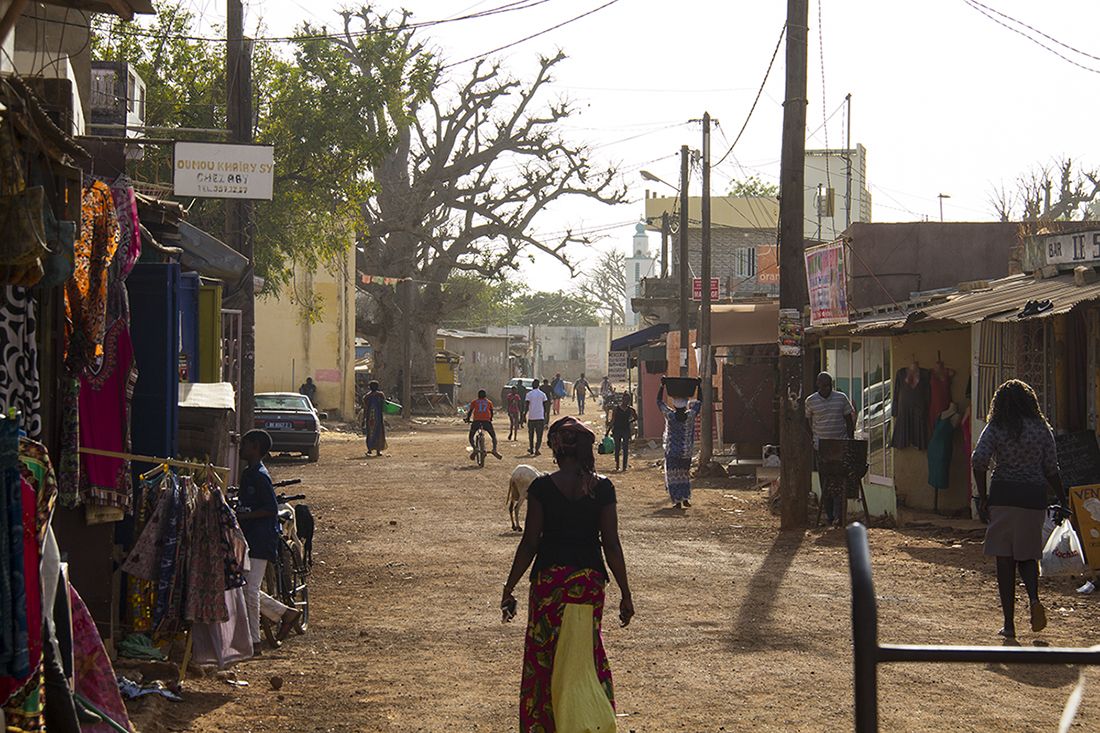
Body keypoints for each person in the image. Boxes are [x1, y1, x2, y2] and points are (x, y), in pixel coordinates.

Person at [500, 416, 634, 732]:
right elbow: (611, 544)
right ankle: (591, 721)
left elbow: (531, 541)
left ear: (557, 449)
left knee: (543, 660)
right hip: (588, 584)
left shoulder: (542, 488)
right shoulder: (603, 489)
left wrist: (509, 587)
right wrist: (626, 595)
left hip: (548, 585)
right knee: (583, 656)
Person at [972, 379, 1066, 639]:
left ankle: (1009, 624)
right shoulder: (1041, 429)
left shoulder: (996, 427)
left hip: (1003, 495)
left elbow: (979, 460)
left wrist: (983, 497)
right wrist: (1063, 499)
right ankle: (1034, 599)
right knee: (1027, 555)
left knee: (1005, 558)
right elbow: (1051, 469)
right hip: (1033, 498)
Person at [235, 430, 302, 654]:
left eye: (244, 444)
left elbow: (271, 509)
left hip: (261, 538)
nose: (240, 448)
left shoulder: (260, 476)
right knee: (245, 588)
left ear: (255, 447)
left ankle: (255, 642)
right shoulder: (247, 474)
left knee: (250, 590)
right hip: (248, 538)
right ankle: (286, 613)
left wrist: (245, 516)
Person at [804, 372, 856, 525]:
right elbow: (807, 421)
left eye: (829, 386)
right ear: (818, 385)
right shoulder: (811, 401)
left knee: (840, 481)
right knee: (825, 480)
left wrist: (850, 440)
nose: (826, 389)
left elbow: (849, 420)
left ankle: (840, 515)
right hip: (822, 447)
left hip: (840, 445)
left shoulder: (841, 398)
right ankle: (829, 515)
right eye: (823, 386)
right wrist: (813, 438)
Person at [657, 380, 701, 509]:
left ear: (675, 406)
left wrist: (662, 386)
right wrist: (699, 385)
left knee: (673, 476)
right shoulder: (691, 416)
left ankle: (677, 501)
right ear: (686, 405)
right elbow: (700, 402)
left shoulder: (670, 416)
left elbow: (659, 402)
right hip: (686, 452)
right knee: (684, 475)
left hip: (672, 452)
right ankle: (685, 498)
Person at [465, 389, 503, 460]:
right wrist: (490, 418)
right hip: (486, 422)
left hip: (476, 421)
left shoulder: (474, 402)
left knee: (471, 436)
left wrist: (467, 419)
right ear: (485, 396)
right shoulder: (489, 402)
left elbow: (470, 411)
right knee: (493, 436)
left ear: (478, 396)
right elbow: (491, 412)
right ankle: (494, 449)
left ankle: (475, 448)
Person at [606, 393, 638, 472]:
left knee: (625, 448)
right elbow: (613, 420)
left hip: (626, 430)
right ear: (622, 399)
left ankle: (624, 466)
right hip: (617, 430)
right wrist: (608, 431)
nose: (626, 401)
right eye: (625, 399)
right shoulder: (616, 409)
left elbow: (636, 417)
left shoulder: (630, 410)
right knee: (617, 448)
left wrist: (629, 422)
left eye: (627, 400)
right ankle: (617, 465)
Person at [362, 381, 387, 456]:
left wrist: (363, 418)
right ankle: (378, 451)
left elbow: (365, 408)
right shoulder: (380, 395)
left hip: (370, 418)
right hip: (378, 417)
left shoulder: (367, 396)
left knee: (370, 433)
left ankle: (370, 449)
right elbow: (384, 406)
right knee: (379, 433)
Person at [525, 379, 549, 456]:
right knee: (539, 435)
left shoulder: (529, 394)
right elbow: (546, 406)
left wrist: (524, 415)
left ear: (532, 385)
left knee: (531, 434)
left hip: (531, 417)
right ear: (538, 385)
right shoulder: (542, 394)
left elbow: (526, 406)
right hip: (540, 417)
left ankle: (531, 449)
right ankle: (537, 449)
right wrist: (545, 416)